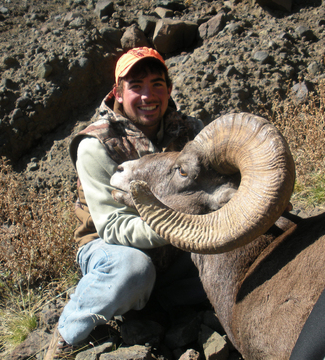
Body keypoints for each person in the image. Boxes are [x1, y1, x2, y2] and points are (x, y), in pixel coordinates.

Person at [45, 47, 206, 360]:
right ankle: (68, 334)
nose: (148, 95)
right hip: (112, 249)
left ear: (169, 89)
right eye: (136, 86)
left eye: (157, 84)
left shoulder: (191, 131)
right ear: (117, 93)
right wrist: (187, 225)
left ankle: (155, 306)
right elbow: (114, 226)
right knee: (134, 269)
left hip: (178, 250)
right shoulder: (95, 145)